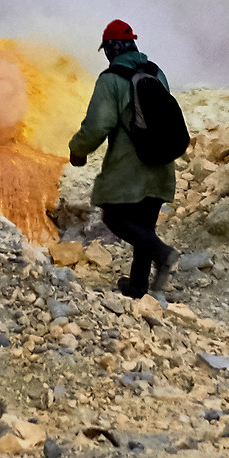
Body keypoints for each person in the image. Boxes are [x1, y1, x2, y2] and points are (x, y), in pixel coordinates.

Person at [66, 19, 177, 299]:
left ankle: (162, 253)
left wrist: (78, 150)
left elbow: (98, 125)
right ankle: (138, 286)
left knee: (114, 216)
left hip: (131, 165)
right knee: (144, 226)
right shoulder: (157, 73)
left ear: (111, 49)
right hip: (162, 161)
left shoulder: (111, 79)